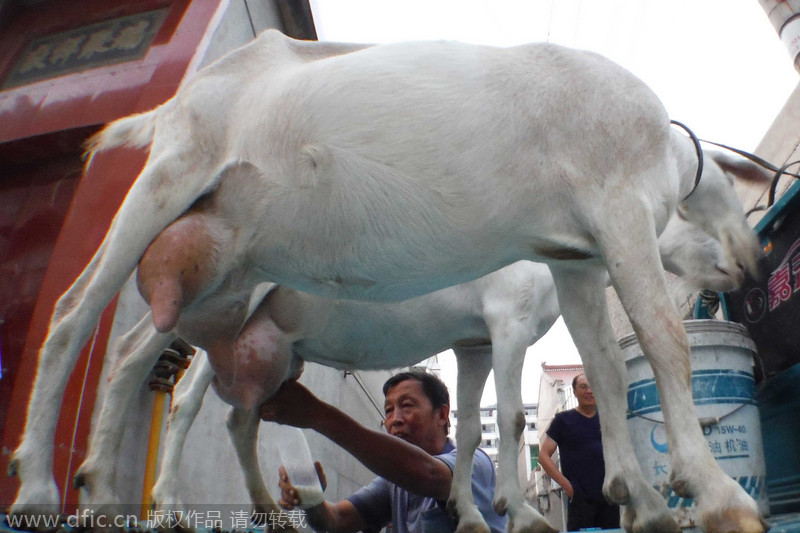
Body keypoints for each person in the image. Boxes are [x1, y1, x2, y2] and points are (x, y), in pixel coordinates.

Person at [259, 370, 507, 533]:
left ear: (442, 415)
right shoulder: (393, 484)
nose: (394, 420)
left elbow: (427, 474)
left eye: (407, 405)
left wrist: (318, 415)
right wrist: (311, 498)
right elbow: (335, 520)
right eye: (388, 410)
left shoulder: (472, 463)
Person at [538, 373, 620, 531]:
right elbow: (543, 456)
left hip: (609, 498)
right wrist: (567, 486)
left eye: (592, 387)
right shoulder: (563, 420)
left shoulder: (608, 420)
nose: (589, 391)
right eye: (583, 387)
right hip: (580, 500)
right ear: (574, 391)